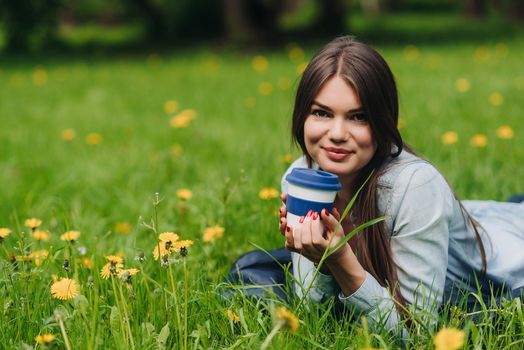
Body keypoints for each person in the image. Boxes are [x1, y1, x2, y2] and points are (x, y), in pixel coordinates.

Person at [278, 36, 524, 332]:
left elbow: (418, 333)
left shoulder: (416, 187)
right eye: (322, 113)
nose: (338, 133)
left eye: (358, 117)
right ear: (302, 116)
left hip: (508, 262)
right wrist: (318, 260)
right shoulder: (300, 178)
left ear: (383, 123)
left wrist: (341, 260)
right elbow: (315, 315)